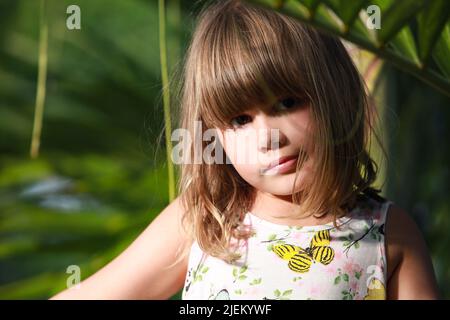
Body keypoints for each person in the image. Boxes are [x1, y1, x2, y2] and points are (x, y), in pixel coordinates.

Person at [50, 0, 439, 300]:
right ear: (215, 134)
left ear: (336, 93)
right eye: (240, 120)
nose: (269, 137)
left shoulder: (387, 233)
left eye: (287, 103)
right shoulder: (206, 221)